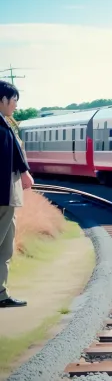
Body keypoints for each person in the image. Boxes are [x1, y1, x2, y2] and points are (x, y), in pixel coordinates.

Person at [0, 80, 34, 308]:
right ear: (2, 100)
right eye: (14, 101)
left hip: (6, 195)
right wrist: (24, 172)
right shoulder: (2, 128)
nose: (15, 106)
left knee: (6, 247)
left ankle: (1, 294)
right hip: (3, 196)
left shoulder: (4, 124)